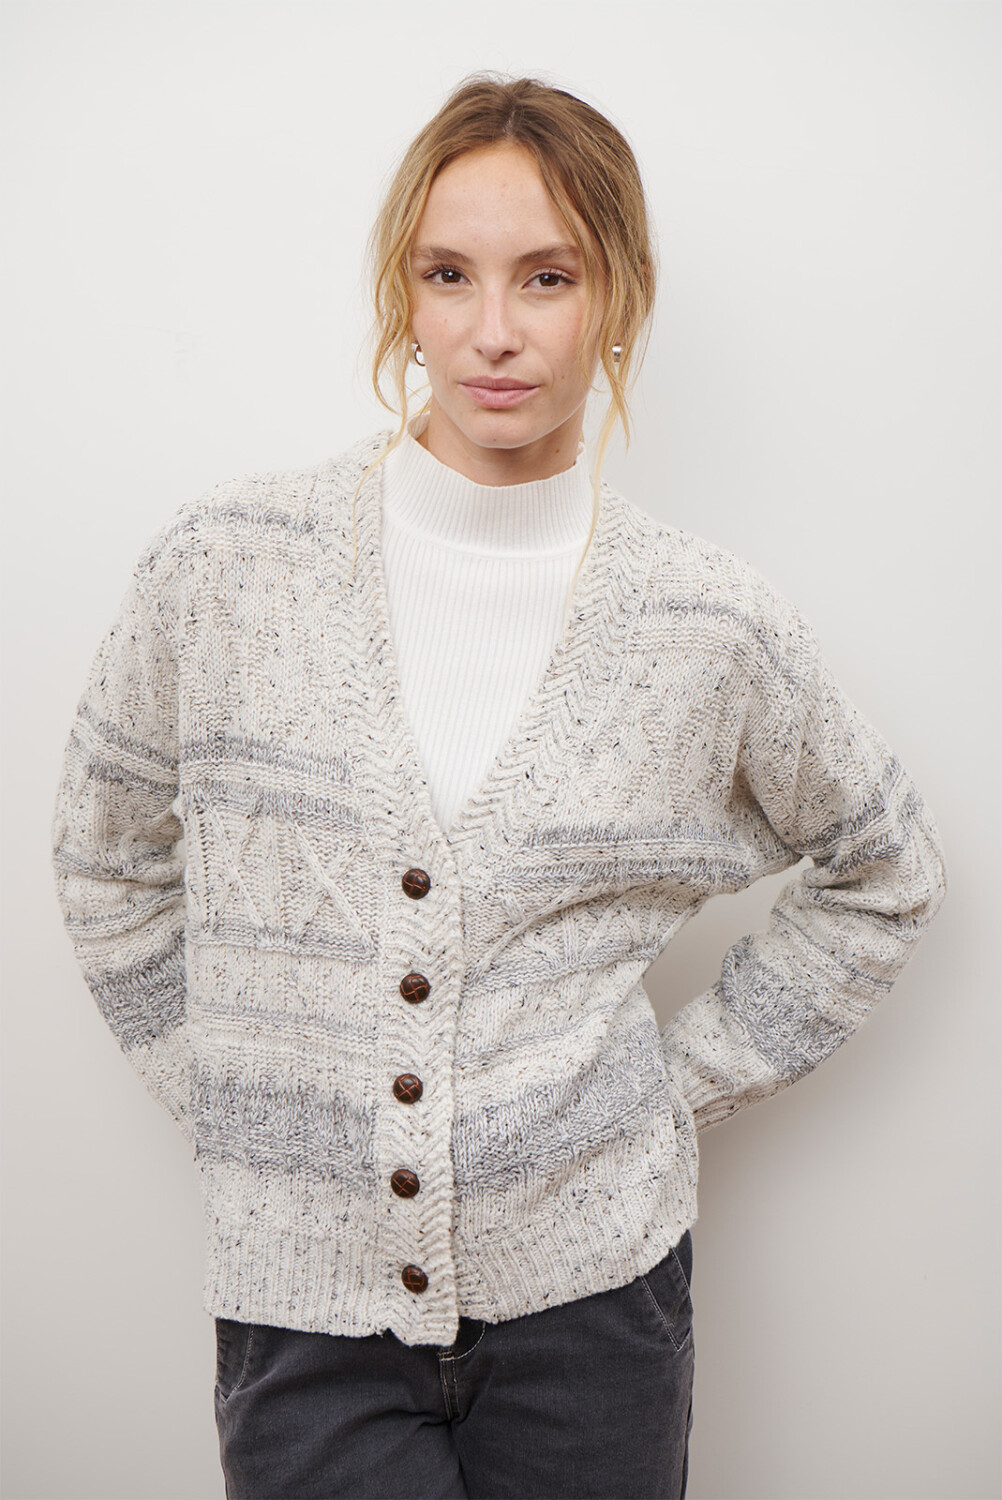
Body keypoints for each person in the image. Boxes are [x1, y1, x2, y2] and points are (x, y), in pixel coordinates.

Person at [50, 73, 947, 1500]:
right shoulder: (226, 569)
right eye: (447, 275)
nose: (494, 332)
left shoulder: (704, 626)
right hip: (304, 1317)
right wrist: (228, 1089)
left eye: (548, 276)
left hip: (595, 1314)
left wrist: (665, 1091)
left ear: (618, 295)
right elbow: (104, 855)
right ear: (400, 294)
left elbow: (883, 871)